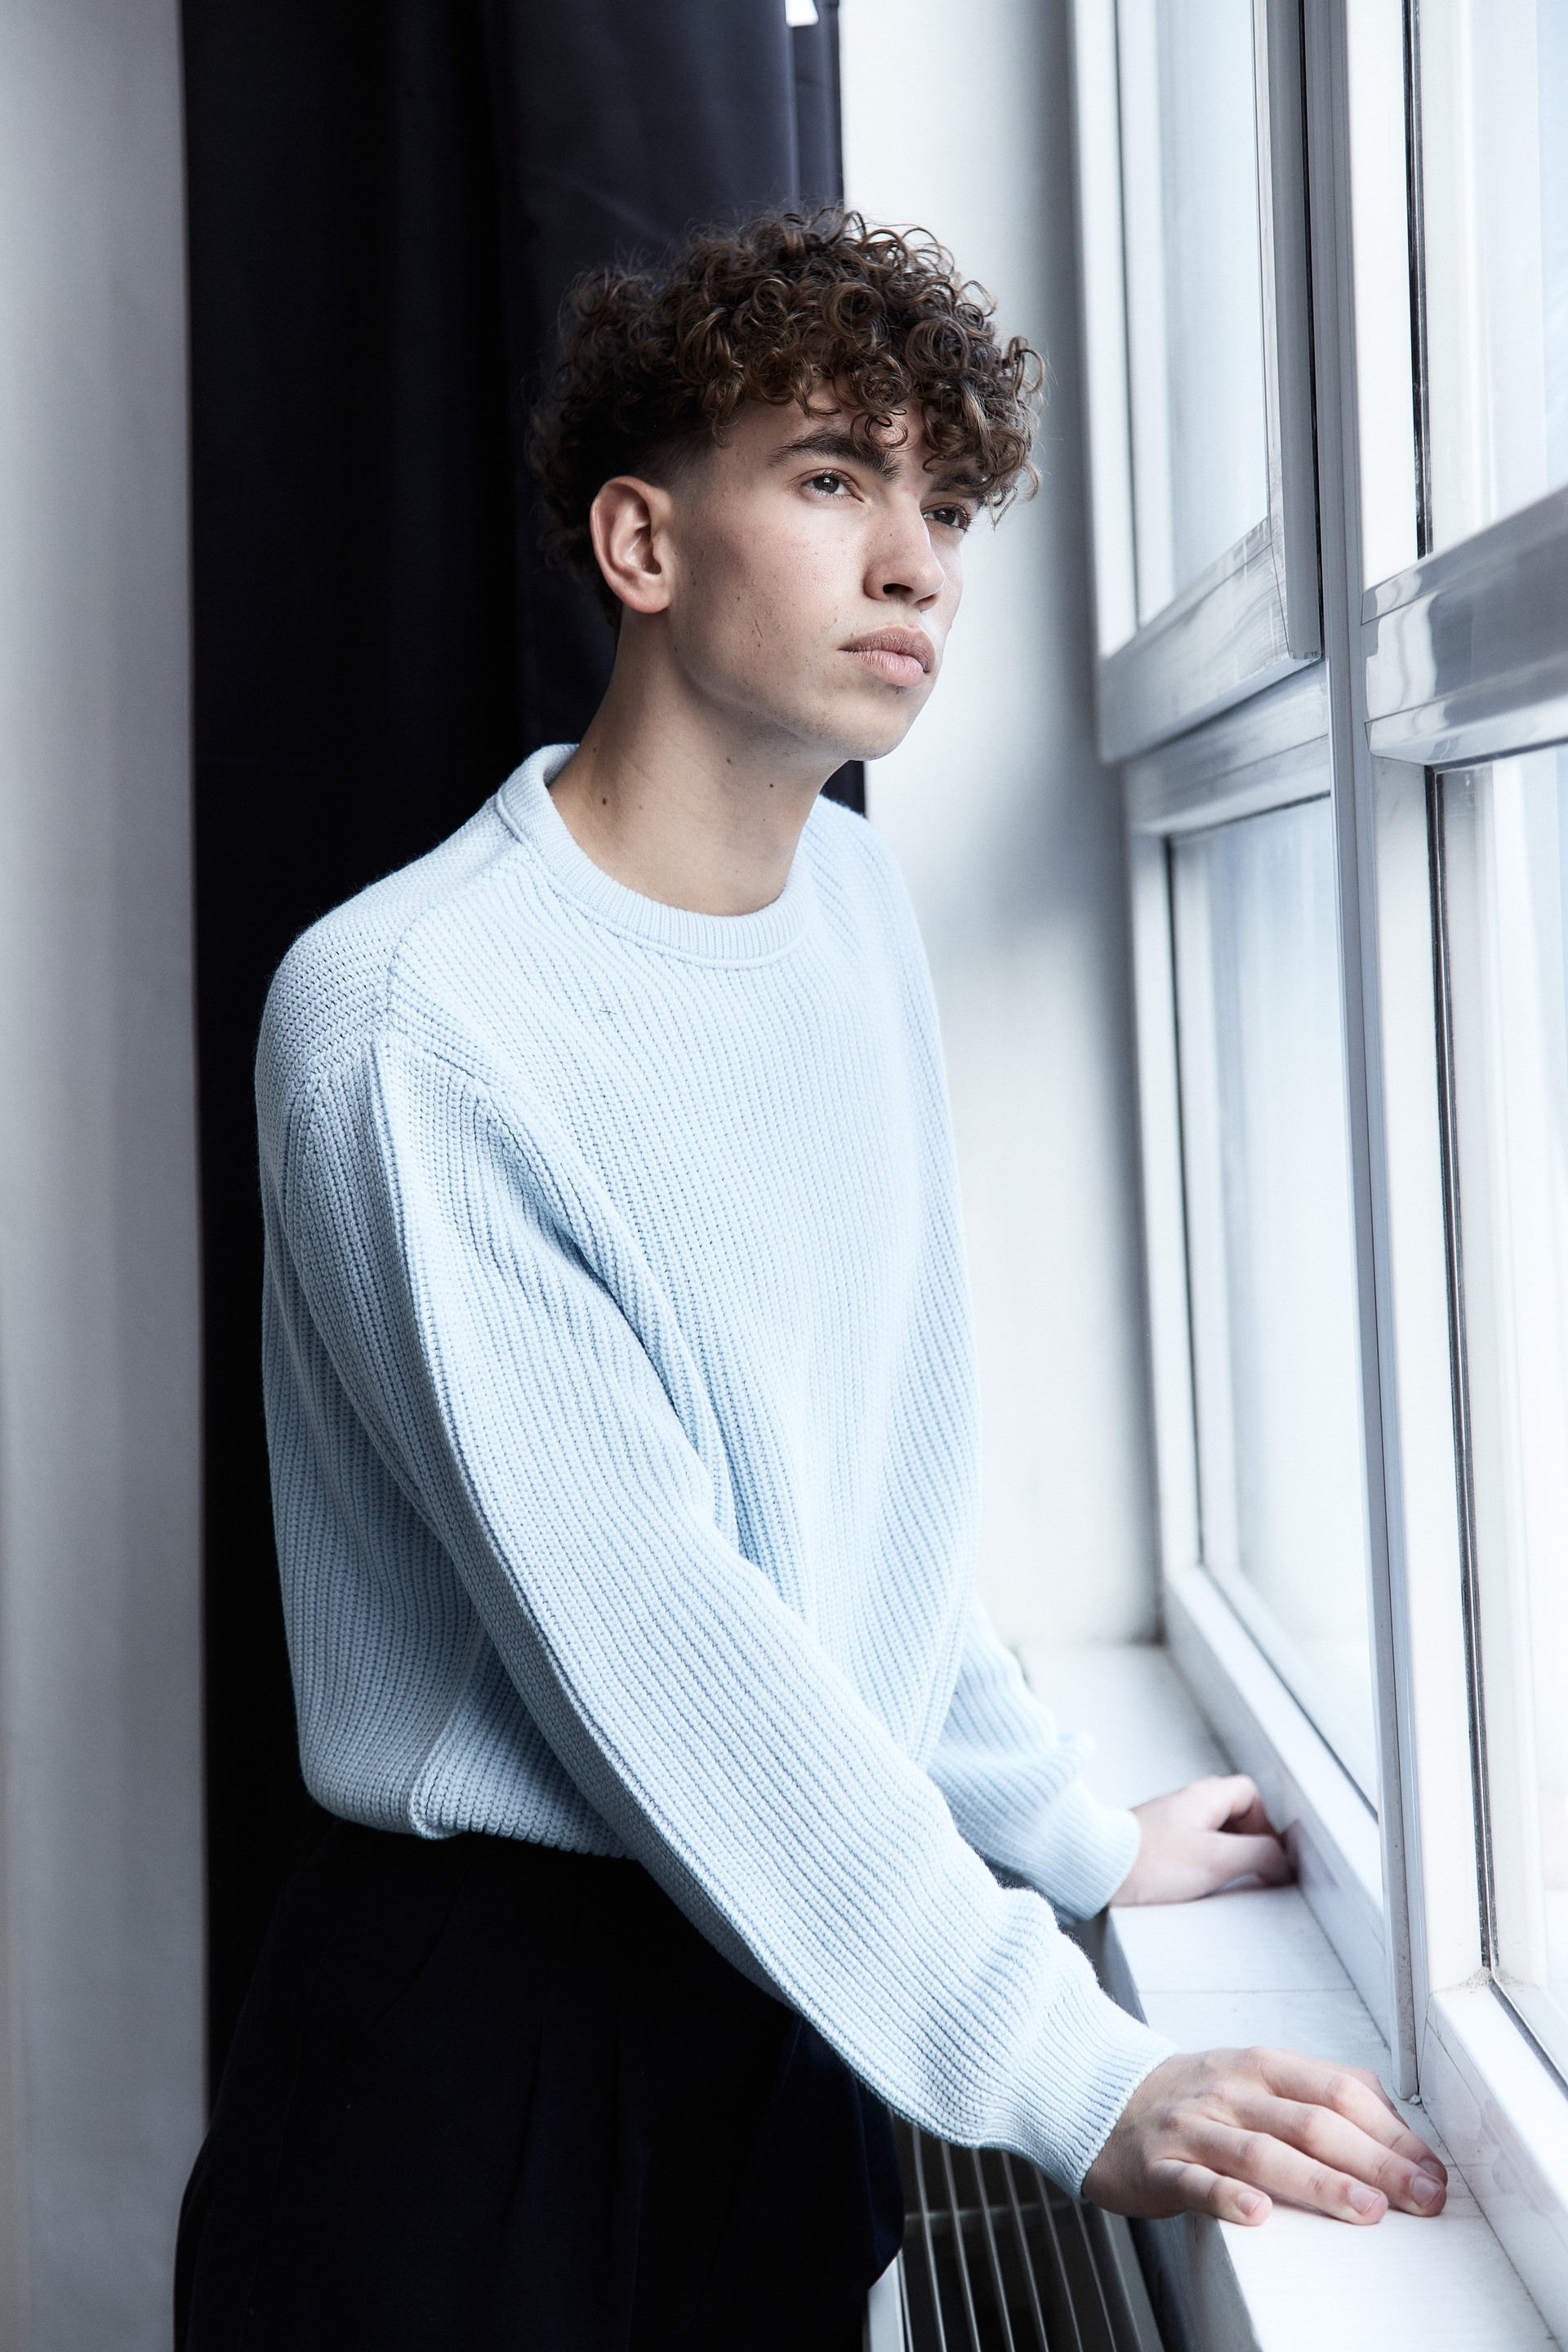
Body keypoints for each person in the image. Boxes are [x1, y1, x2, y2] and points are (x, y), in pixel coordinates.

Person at [175, 210, 1446, 2350]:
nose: (918, 564)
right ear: (643, 544)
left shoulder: (850, 911)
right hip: (490, 2053)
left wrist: (1063, 1835)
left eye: (945, 505)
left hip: (791, 1999)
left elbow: (868, 1511)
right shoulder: (407, 1015)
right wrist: (1069, 2063)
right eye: (837, 475)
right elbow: (662, 1634)